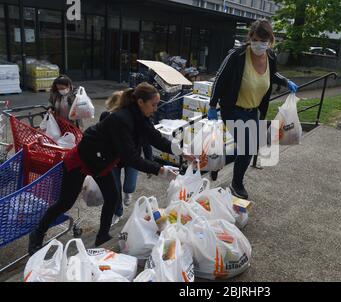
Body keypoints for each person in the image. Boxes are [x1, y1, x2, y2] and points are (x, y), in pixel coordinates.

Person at [29, 82, 195, 254]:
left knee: (112, 197)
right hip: (81, 160)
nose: (155, 108)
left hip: (102, 162)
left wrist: (182, 152)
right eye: (153, 104)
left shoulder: (141, 117)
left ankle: (102, 237)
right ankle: (37, 234)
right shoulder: (121, 119)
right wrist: (162, 170)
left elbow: (156, 138)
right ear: (140, 102)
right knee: (65, 203)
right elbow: (130, 157)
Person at [207, 19, 299, 200]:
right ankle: (237, 184)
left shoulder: (270, 56)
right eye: (256, 40)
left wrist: (285, 81)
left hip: (253, 110)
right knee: (249, 147)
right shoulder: (237, 55)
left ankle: (217, 162)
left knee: (249, 146)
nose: (259, 44)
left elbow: (272, 74)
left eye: (264, 41)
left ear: (270, 40)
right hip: (233, 109)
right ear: (250, 38)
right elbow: (220, 78)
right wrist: (212, 105)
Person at [100, 91, 150, 226]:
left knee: (129, 185)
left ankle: (128, 193)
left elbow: (146, 140)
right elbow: (100, 136)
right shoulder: (106, 116)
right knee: (115, 189)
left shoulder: (137, 119)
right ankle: (118, 212)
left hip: (132, 157)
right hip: (113, 159)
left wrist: (150, 161)